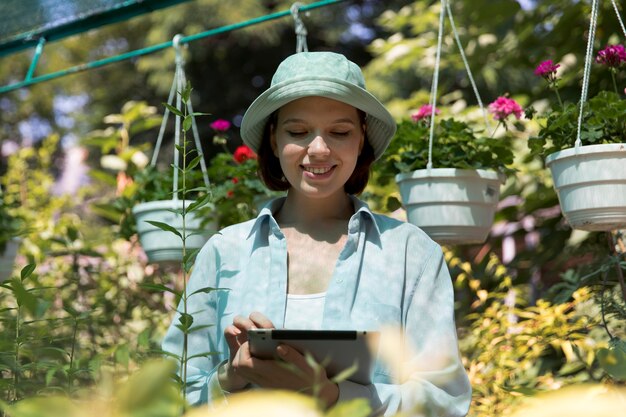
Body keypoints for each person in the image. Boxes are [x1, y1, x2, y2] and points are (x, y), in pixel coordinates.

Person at [162, 51, 471, 416]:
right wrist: (228, 378)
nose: (319, 149)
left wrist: (332, 397)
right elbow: (170, 392)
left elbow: (445, 401)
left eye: (339, 132)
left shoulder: (409, 253)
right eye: (298, 131)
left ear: (362, 139)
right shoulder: (224, 251)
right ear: (274, 141)